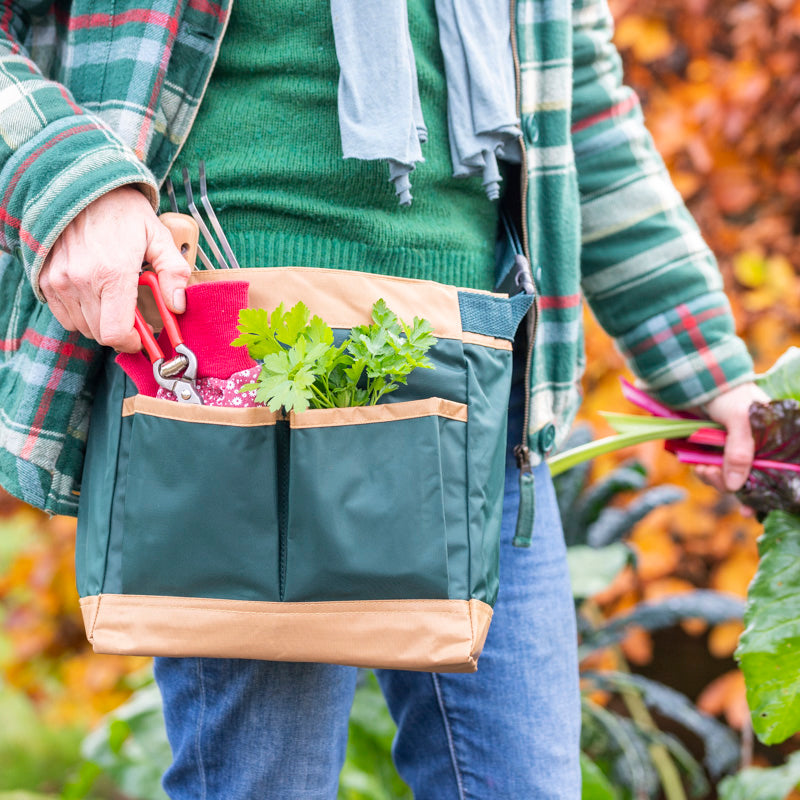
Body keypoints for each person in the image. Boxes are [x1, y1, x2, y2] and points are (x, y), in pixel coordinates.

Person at [0, 0, 767, 797]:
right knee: (267, 784)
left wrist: (711, 368)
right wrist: (70, 179)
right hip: (230, 374)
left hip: (472, 378)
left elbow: (577, 101)